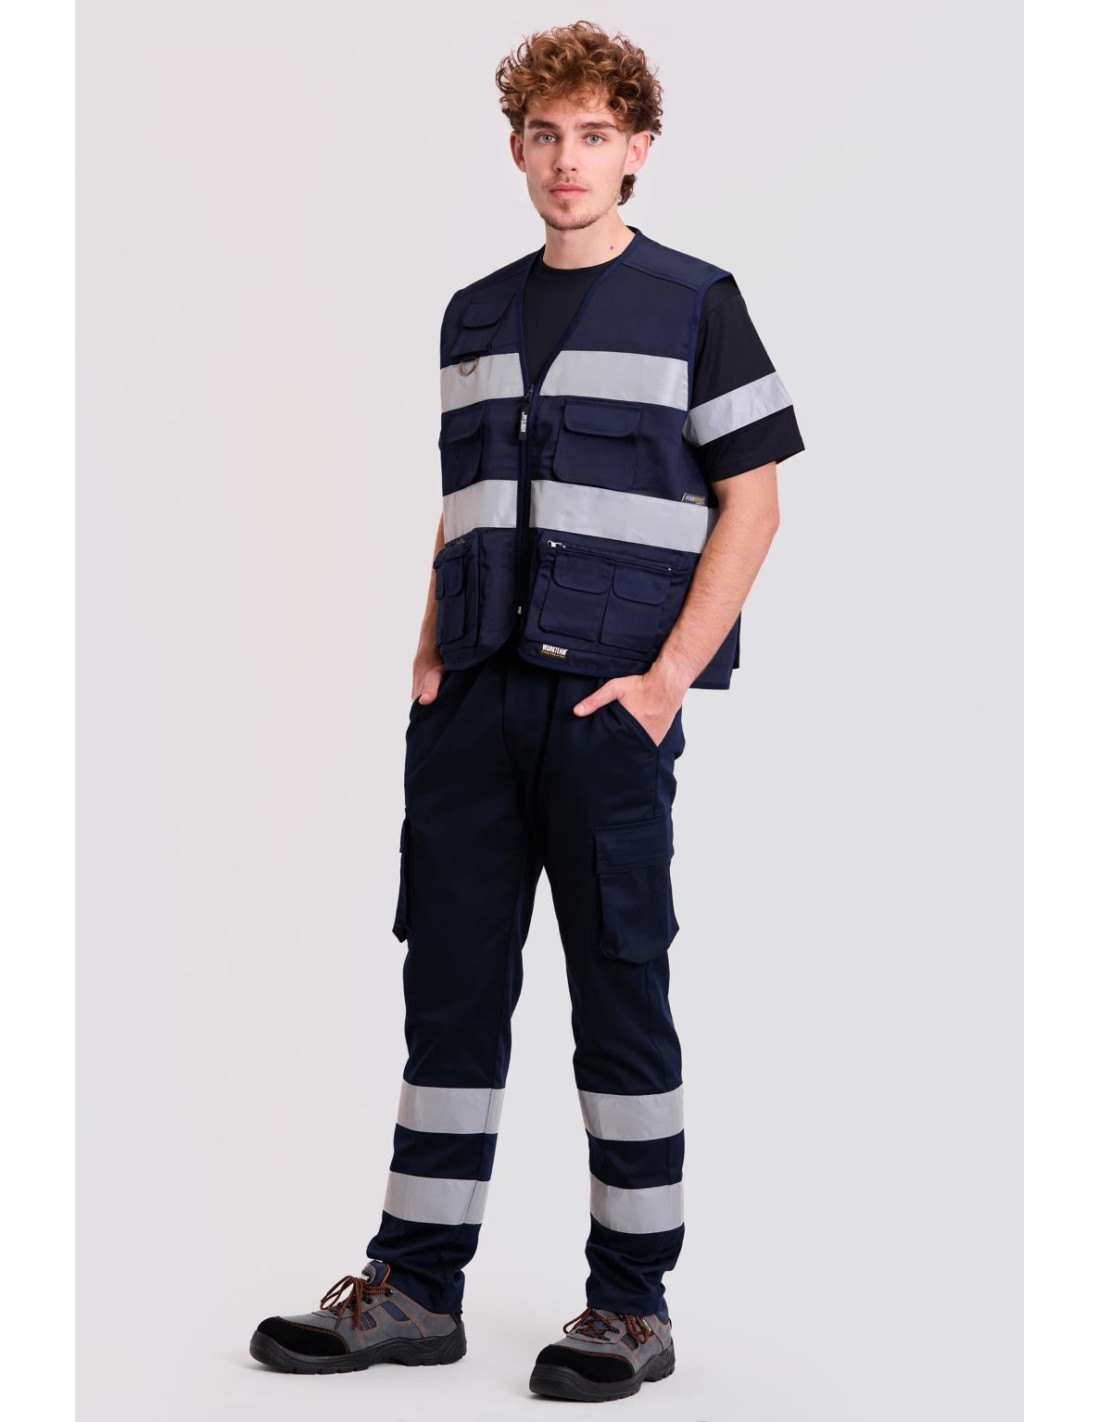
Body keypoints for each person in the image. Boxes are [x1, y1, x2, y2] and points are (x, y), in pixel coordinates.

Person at [250, 18, 805, 1404]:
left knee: (619, 998)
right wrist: (427, 649)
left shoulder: (696, 302)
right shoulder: (475, 314)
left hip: (606, 713)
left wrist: (665, 686)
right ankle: (413, 1288)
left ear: (639, 149)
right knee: (447, 992)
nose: (569, 159)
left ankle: (630, 1304)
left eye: (595, 135)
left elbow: (754, 501)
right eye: (546, 135)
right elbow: (466, 500)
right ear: (516, 150)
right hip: (472, 709)